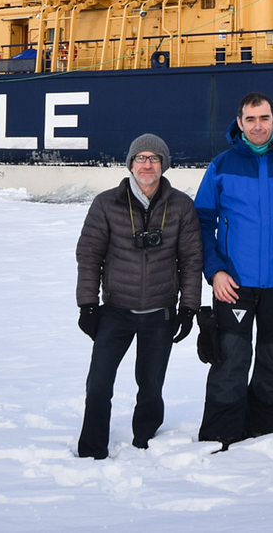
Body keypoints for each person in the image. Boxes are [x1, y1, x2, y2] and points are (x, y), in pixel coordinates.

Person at [194, 92, 273, 447]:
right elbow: (202, 222)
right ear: (239, 123)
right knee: (230, 361)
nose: (258, 126)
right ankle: (220, 433)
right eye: (250, 120)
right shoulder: (222, 166)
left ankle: (261, 431)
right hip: (233, 283)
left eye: (264, 118)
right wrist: (215, 272)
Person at [75, 133, 202, 459]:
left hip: (159, 312)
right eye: (141, 158)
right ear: (131, 164)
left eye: (154, 159)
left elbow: (191, 260)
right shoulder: (106, 203)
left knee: (150, 386)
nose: (148, 165)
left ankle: (145, 437)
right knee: (99, 385)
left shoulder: (181, 206)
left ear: (164, 165)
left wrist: (188, 309)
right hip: (115, 310)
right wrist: (88, 305)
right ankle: (91, 449)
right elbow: (90, 255)